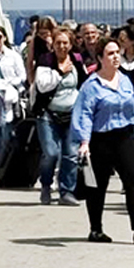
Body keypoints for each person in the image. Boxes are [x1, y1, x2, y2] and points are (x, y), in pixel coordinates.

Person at [72, 37, 134, 244]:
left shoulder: (124, 80)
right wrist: (84, 142)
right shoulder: (91, 85)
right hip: (101, 139)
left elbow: (132, 109)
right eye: (110, 53)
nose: (116, 57)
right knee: (97, 186)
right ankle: (96, 229)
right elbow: (85, 114)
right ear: (100, 58)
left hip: (124, 135)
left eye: (117, 52)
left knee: (133, 181)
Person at [32, 26, 88, 205]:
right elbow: (42, 86)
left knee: (71, 154)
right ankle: (46, 185)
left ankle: (66, 191)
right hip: (47, 114)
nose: (62, 46)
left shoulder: (77, 61)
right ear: (52, 44)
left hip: (71, 114)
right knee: (51, 153)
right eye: (58, 43)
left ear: (71, 45)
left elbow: (84, 84)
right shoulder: (45, 61)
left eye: (65, 43)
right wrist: (60, 71)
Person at [0, 25, 27, 161]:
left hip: (11, 97)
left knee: (8, 127)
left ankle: (8, 158)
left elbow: (22, 76)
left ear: (4, 38)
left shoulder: (13, 56)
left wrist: (8, 83)